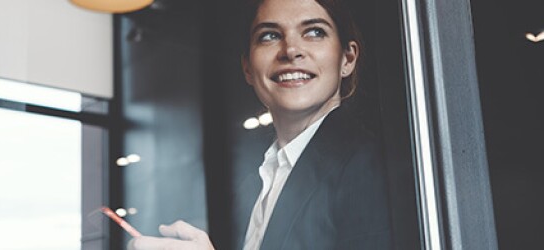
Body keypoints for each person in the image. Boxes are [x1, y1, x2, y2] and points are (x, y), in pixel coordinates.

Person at [129, 0, 392, 248]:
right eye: (269, 36)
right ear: (247, 67)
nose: (291, 50)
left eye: (314, 32)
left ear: (347, 58)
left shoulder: (371, 164)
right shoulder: (254, 183)